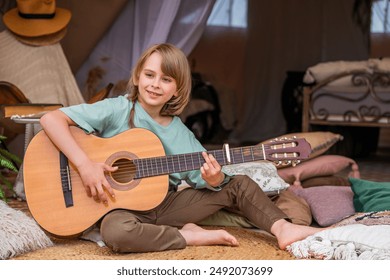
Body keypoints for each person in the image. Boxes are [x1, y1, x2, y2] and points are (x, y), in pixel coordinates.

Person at [40, 43, 323, 253]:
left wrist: (215, 179)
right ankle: (187, 236)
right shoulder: (117, 109)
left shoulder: (180, 134)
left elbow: (207, 179)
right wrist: (85, 165)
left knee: (239, 184)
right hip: (121, 209)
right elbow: (51, 119)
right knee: (115, 233)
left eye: (166, 79)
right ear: (137, 77)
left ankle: (283, 228)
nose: (155, 84)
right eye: (150, 75)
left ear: (177, 89)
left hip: (165, 206)